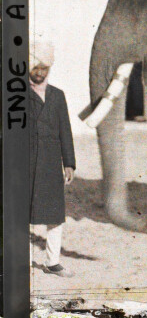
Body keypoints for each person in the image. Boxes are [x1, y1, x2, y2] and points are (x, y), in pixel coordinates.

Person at [29, 38, 76, 278]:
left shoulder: (58, 95)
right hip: (24, 163)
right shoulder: (15, 95)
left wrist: (69, 163)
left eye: (44, 69)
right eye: (35, 68)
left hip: (50, 162)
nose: (39, 73)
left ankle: (52, 261)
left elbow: (65, 130)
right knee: (23, 212)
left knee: (55, 214)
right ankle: (21, 260)